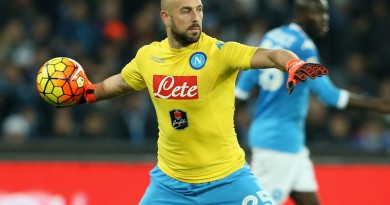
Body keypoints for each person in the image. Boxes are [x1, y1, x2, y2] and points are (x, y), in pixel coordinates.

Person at [78, 0, 328, 204]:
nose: (195, 17)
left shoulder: (220, 53)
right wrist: (87, 92)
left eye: (199, 10)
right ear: (166, 17)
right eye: (186, 11)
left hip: (228, 180)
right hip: (170, 185)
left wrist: (293, 63)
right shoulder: (148, 57)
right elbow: (118, 84)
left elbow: (271, 55)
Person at [235, 0, 390, 205]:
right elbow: (330, 96)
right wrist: (380, 105)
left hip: (288, 144)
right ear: (300, 12)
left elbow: (241, 89)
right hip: (278, 146)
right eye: (317, 12)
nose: (324, 19)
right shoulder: (304, 47)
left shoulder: (272, 36)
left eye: (325, 13)